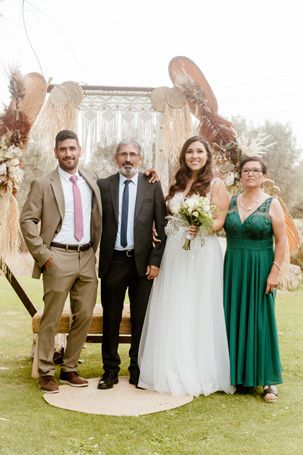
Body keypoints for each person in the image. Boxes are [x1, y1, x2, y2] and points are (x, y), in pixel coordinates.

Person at [138, 136, 234, 396]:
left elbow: (220, 220)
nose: (194, 156)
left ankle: (200, 370)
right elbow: (166, 212)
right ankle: (171, 366)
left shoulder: (216, 184)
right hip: (175, 251)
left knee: (199, 305)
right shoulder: (177, 181)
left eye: (200, 151)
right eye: (190, 151)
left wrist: (202, 225)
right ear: (184, 156)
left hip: (201, 251)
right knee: (174, 304)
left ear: (207, 156)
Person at [20, 129, 102, 393]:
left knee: (85, 315)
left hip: (87, 256)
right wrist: (43, 255)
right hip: (57, 256)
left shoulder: (92, 178)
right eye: (63, 149)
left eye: (72, 148)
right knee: (52, 317)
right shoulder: (44, 183)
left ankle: (69, 368)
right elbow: (27, 220)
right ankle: (45, 371)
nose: (68, 153)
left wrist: (148, 174)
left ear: (80, 150)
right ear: (56, 152)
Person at [97, 139, 167, 389]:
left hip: (142, 265)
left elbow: (162, 226)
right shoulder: (103, 185)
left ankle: (138, 371)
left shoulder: (152, 186)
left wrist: (155, 261)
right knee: (111, 320)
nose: (128, 159)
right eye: (123, 154)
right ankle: (110, 371)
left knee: (140, 321)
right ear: (116, 158)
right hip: (112, 262)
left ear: (140, 158)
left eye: (133, 154)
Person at [223, 156, 287, 403]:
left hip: (261, 266)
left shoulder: (272, 204)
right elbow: (214, 225)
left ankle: (269, 380)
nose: (250, 174)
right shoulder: (229, 202)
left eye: (256, 170)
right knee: (235, 317)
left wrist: (275, 271)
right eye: (246, 170)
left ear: (263, 176)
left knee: (261, 320)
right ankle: (239, 378)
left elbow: (281, 241)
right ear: (240, 175)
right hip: (234, 266)